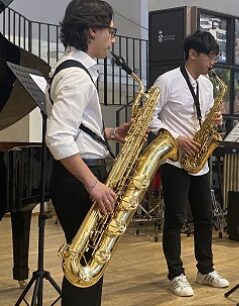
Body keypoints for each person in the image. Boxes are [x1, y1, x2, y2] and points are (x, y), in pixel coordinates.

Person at [45, 0, 131, 304]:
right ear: (92, 30)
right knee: (86, 268)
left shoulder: (73, 68)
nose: (113, 39)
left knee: (87, 266)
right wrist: (93, 184)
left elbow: (75, 129)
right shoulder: (76, 75)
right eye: (111, 31)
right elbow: (58, 138)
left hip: (79, 176)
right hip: (81, 179)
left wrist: (109, 133)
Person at [149, 30, 229, 297]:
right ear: (193, 54)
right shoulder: (167, 81)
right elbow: (149, 120)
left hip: (200, 160)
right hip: (174, 160)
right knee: (175, 219)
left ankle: (205, 269)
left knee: (205, 218)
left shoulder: (207, 84)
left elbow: (203, 117)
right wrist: (177, 137)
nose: (213, 63)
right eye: (210, 56)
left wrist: (215, 121)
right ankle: (176, 274)